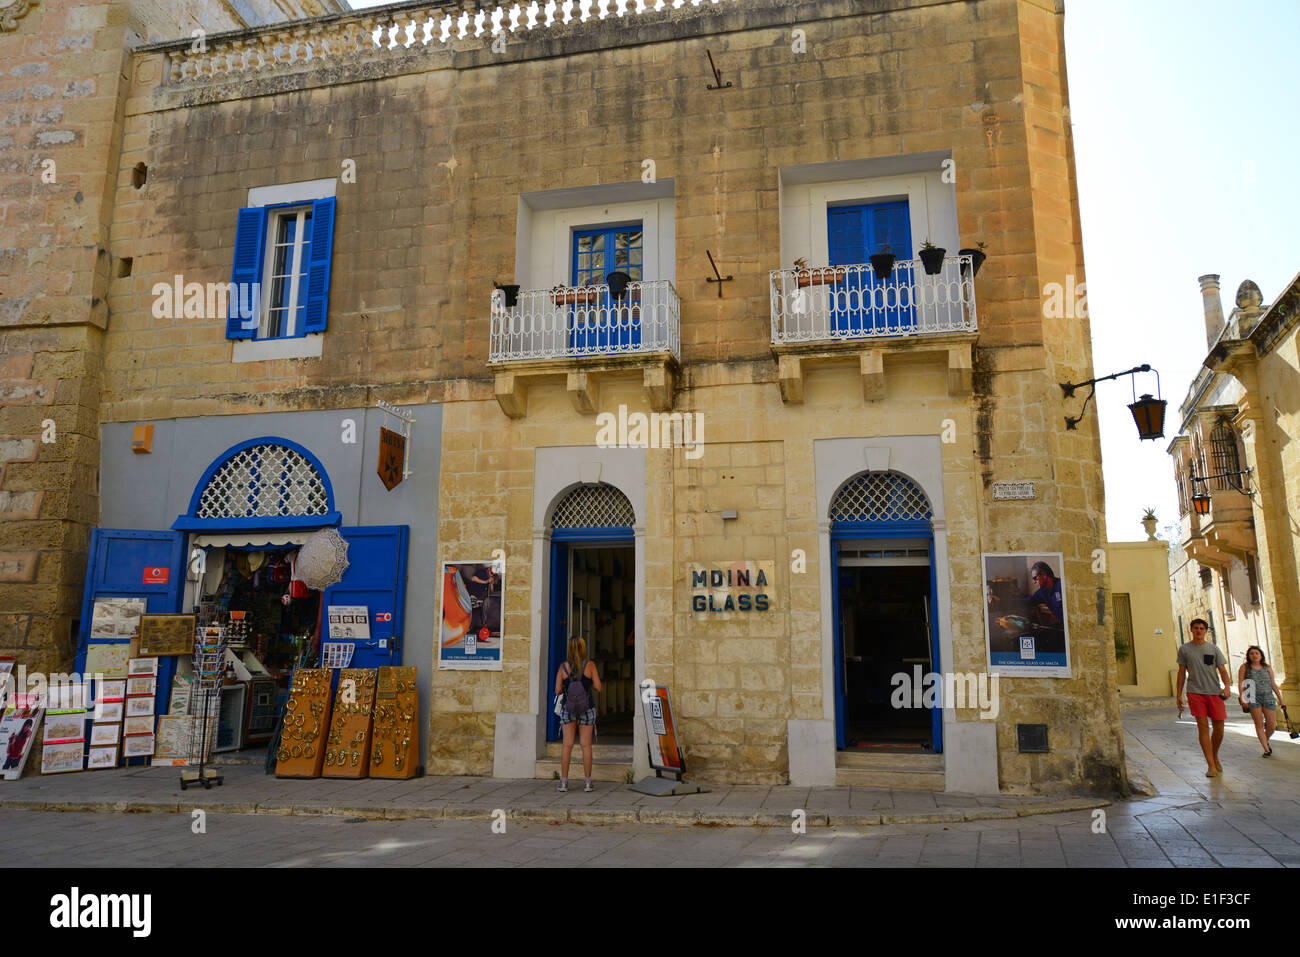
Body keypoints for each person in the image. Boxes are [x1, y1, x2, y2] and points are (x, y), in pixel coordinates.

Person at [1176, 618, 1233, 777]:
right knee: (1202, 727)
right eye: (1196, 628)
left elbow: (1222, 671)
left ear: (1205, 631)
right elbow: (1181, 673)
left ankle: (1215, 756)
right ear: (1191, 630)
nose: (1199, 630)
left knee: (1219, 728)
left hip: (1215, 692)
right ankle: (1210, 765)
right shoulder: (1184, 649)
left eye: (1202, 628)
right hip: (1195, 692)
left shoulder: (1213, 649)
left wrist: (1227, 687)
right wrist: (1179, 694)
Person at [554, 636, 602, 793]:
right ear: (583, 648)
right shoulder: (590, 665)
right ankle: (588, 783)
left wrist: (568, 687)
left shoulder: (563, 667)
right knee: (586, 745)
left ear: (569, 648)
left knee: (567, 745)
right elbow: (598, 687)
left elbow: (557, 690)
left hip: (568, 708)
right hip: (587, 708)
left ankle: (564, 782)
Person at [1238, 644, 1285, 757]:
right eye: (1251, 653)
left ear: (1261, 655)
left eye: (1256, 653)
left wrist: (1281, 699)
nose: (1254, 655)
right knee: (1259, 724)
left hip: (1268, 697)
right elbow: (1241, 683)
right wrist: (1243, 698)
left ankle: (1265, 739)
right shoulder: (1245, 667)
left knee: (1272, 725)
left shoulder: (1267, 667)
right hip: (1253, 698)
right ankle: (1266, 749)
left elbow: (1273, 684)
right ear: (1248, 656)